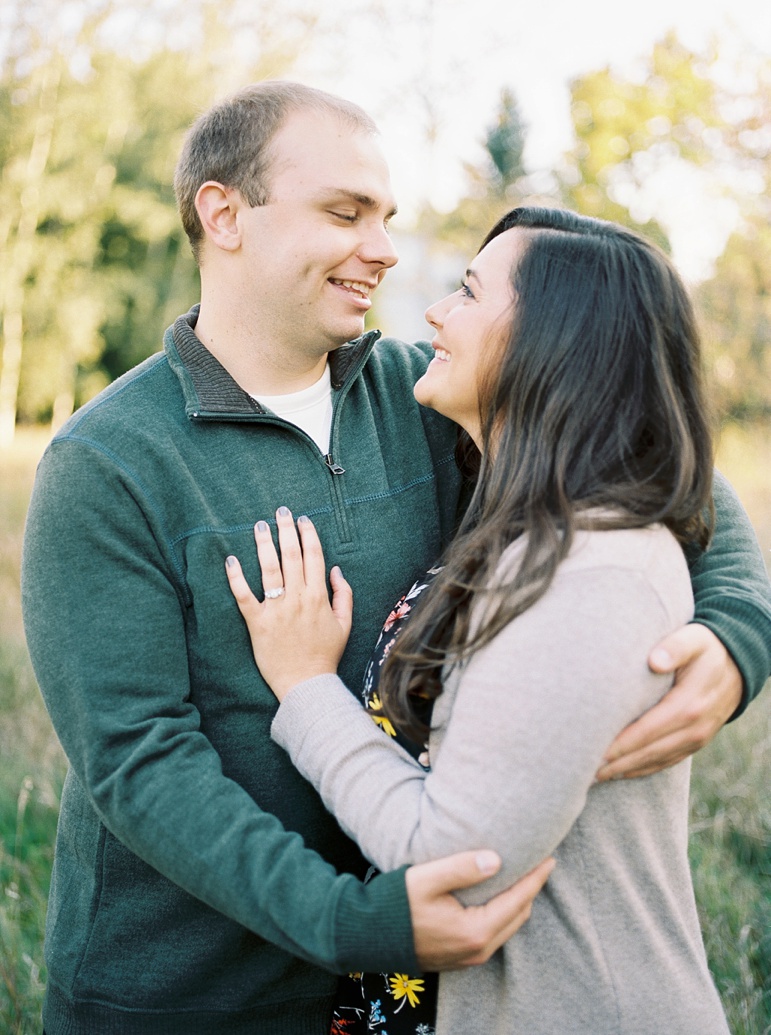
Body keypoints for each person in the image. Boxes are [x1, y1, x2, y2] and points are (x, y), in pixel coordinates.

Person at [21, 82, 769, 1035]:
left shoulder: (427, 398)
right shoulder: (107, 464)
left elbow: (645, 455)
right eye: (344, 213)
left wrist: (740, 627)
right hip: (191, 994)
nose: (381, 249)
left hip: (400, 996)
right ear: (223, 214)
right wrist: (350, 920)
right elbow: (139, 761)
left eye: (386, 218)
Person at [225, 207, 749, 1034]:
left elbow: (454, 864)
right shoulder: (520, 524)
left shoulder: (593, 569)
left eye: (467, 291)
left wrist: (304, 686)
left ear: (558, 343)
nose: (434, 310)